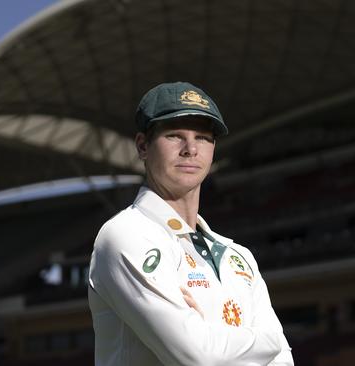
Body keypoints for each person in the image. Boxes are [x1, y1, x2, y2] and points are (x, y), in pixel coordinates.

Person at [88, 81, 294, 365]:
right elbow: (195, 357)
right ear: (143, 146)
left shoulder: (239, 256)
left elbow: (283, 362)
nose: (190, 149)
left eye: (203, 137)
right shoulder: (126, 234)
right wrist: (265, 341)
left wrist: (208, 332)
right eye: (174, 136)